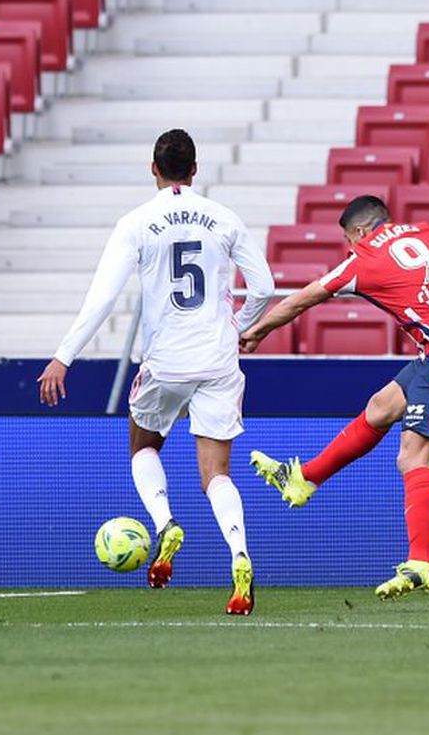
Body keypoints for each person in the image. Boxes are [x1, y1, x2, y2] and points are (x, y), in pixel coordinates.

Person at [37, 129, 274, 615]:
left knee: (144, 445)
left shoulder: (137, 222)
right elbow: (266, 286)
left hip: (166, 360)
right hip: (218, 358)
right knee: (217, 475)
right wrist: (240, 327)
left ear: (153, 169)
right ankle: (240, 555)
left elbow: (102, 297)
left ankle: (166, 523)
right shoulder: (224, 218)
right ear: (195, 168)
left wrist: (64, 355)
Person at [240, 194, 429, 599]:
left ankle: (421, 562)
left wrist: (259, 331)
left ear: (358, 232)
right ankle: (304, 479)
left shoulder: (364, 256)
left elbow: (305, 297)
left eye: (348, 241)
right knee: (381, 406)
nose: (349, 248)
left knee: (413, 456)